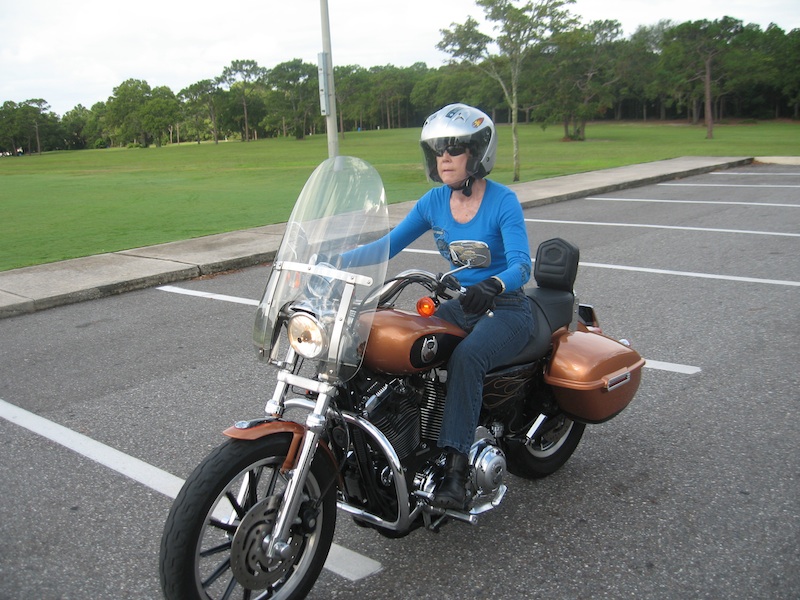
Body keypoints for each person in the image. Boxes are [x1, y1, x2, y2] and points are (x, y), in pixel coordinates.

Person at [346, 103, 534, 509]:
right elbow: (388, 247)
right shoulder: (433, 202)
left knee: (467, 358)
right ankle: (397, 441)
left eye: (454, 148)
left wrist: (495, 282)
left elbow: (522, 265)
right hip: (462, 305)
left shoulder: (503, 201)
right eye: (438, 150)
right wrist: (330, 260)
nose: (444, 157)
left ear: (478, 152)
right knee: (401, 342)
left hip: (507, 308)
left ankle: (455, 466)